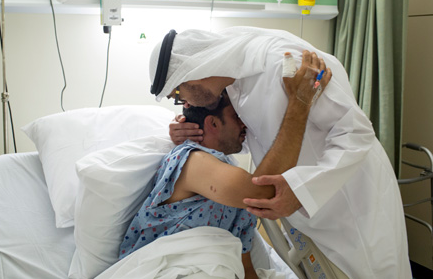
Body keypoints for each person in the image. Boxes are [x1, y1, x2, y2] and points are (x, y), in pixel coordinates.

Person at [148, 27, 410, 278]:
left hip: (350, 202)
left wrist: (302, 189)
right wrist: (187, 132)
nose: (186, 104)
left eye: (179, 94)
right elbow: (263, 135)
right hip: (309, 209)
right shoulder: (234, 83)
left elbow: (355, 133)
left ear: (191, 72)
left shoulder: (287, 65)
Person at [120, 58, 324, 278]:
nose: (244, 124)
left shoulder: (228, 182)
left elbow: (245, 268)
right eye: (236, 117)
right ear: (213, 124)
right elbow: (263, 191)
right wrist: (300, 101)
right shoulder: (191, 159)